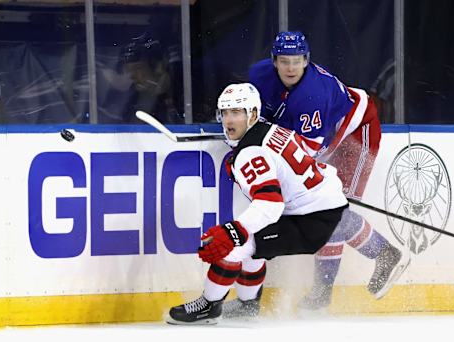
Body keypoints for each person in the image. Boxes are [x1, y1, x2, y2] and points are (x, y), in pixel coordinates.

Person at [219, 32, 409, 317]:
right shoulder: (259, 75)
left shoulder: (312, 96)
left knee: (329, 209)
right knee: (324, 210)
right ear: (274, 62)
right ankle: (324, 292)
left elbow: (305, 151)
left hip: (356, 132)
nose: (291, 67)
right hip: (321, 134)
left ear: (306, 60)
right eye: (284, 61)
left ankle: (382, 255)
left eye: (297, 61)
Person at [167, 82, 350, 324]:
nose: (228, 120)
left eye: (236, 112)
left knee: (232, 245)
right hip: (318, 205)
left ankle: (209, 306)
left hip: (309, 220)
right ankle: (247, 305)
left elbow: (271, 204)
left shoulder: (250, 152)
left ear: (252, 114)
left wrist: (233, 231)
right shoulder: (269, 129)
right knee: (253, 244)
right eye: (225, 113)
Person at [122, 33, 184, 124]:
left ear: (158, 67)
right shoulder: (133, 98)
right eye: (129, 70)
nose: (132, 76)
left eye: (138, 68)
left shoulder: (185, 93)